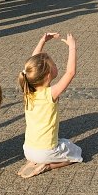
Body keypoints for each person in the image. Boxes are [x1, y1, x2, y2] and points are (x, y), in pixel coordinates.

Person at [17, 32, 82, 179]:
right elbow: (70, 72)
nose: (56, 65)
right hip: (45, 151)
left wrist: (42, 41)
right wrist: (73, 47)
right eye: (54, 64)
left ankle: (34, 162)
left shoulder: (28, 91)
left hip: (27, 149)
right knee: (76, 153)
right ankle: (46, 166)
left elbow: (31, 66)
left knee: (63, 142)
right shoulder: (50, 94)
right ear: (47, 75)